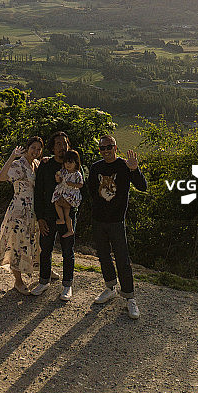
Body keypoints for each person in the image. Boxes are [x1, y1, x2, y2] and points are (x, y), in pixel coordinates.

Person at [88, 135, 147, 319]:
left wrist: (135, 170)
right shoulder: (96, 167)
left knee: (122, 259)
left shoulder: (124, 166)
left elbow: (142, 186)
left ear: (115, 147)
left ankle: (130, 298)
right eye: (102, 148)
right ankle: (110, 287)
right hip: (99, 220)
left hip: (116, 221)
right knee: (103, 256)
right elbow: (90, 191)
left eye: (109, 147)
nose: (105, 151)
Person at [0, 136, 44, 295]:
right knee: (16, 245)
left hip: (33, 210)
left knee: (33, 243)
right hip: (19, 210)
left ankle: (42, 272)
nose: (35, 151)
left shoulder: (36, 164)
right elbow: (1, 177)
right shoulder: (18, 164)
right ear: (27, 147)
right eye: (33, 147)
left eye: (38, 149)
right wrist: (13, 156)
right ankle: (18, 281)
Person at [31, 131, 77, 301]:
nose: (62, 147)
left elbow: (82, 187)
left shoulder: (74, 164)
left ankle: (67, 285)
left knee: (67, 251)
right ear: (52, 147)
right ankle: (44, 281)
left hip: (67, 216)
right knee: (46, 249)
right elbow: (39, 192)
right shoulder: (46, 166)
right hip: (48, 216)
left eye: (65, 144)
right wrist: (40, 217)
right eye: (58, 144)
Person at [51, 149, 84, 237]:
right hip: (62, 191)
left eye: (71, 162)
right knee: (59, 205)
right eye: (66, 162)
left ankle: (68, 227)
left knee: (65, 210)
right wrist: (58, 178)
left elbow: (81, 184)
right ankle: (64, 222)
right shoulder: (63, 171)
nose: (68, 165)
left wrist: (73, 184)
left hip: (71, 194)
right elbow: (59, 181)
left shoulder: (77, 174)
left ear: (76, 163)